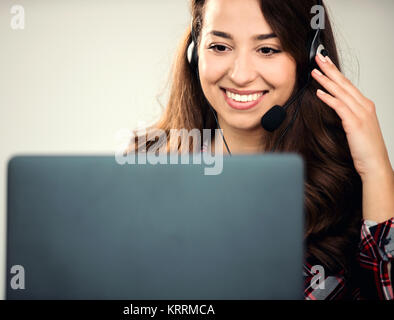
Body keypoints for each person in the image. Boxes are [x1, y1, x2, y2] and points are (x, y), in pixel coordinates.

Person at [129, 0, 394, 299]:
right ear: (195, 50)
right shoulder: (147, 167)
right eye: (219, 46)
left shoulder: (350, 184)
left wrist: (377, 171)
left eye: (267, 49)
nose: (240, 75)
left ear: (308, 58)